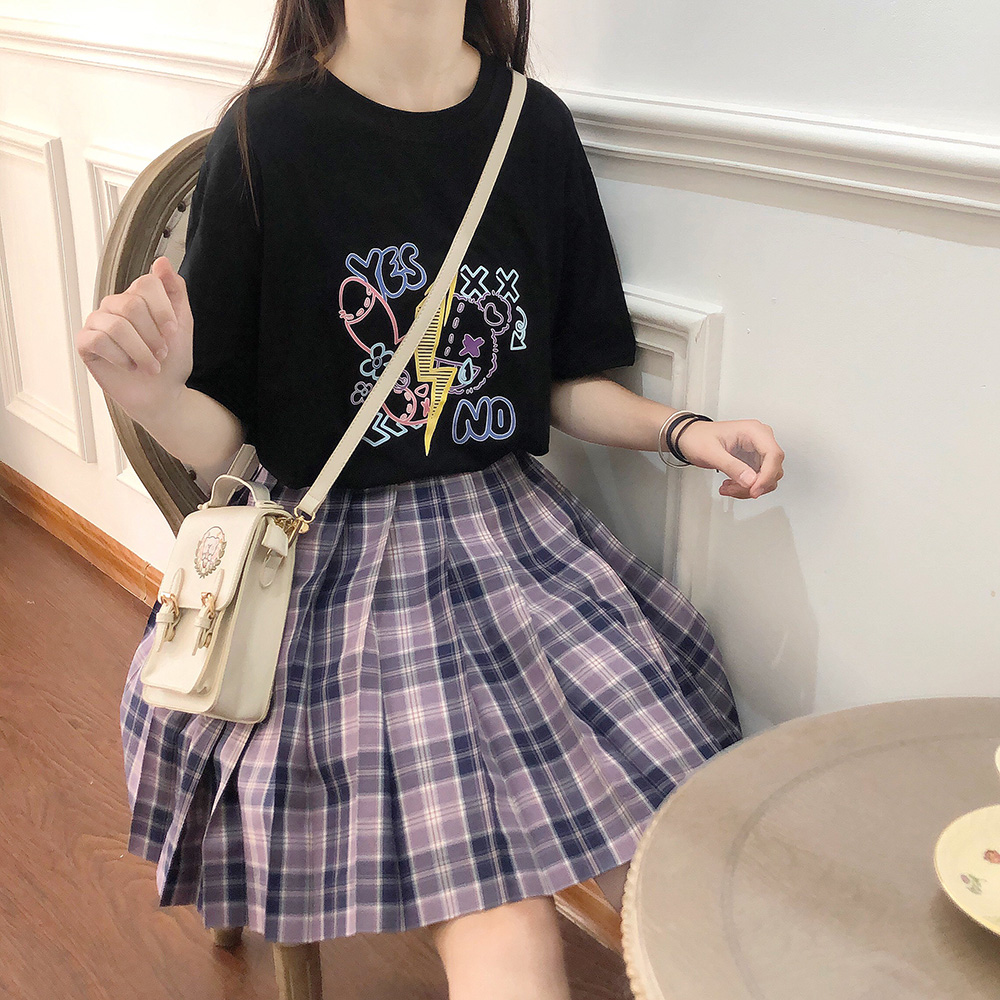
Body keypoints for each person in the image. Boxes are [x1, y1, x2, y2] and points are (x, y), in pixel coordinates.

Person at [76, 1, 785, 997]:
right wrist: (153, 394)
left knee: (692, 859)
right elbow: (230, 443)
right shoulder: (266, 136)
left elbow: (557, 380)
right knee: (505, 920)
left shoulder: (532, 125)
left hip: (512, 539)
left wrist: (682, 430)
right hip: (329, 568)